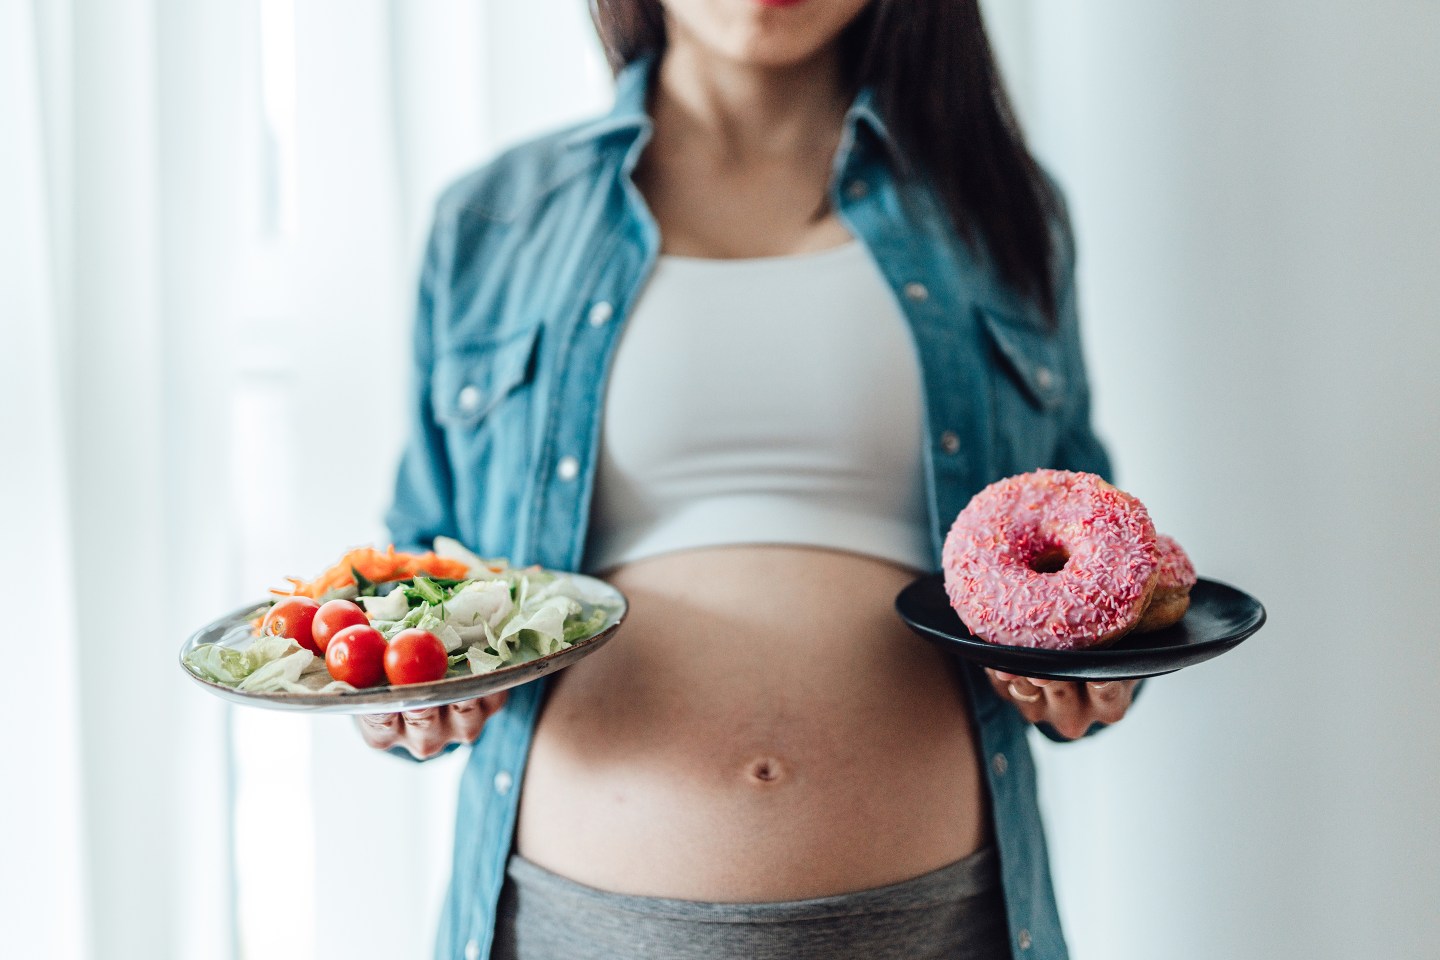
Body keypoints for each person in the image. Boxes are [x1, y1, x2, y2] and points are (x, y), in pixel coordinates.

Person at [360, 1, 1140, 958]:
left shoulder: (1000, 209)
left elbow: (1088, 551)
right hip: (581, 925)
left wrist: (1091, 678)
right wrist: (412, 688)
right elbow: (420, 573)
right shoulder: (491, 222)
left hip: (936, 921)